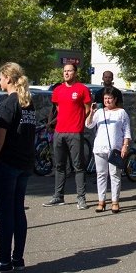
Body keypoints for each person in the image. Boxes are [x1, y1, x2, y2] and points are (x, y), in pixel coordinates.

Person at [0, 63, 38, 273]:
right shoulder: (28, 102)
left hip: (9, 163)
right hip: (25, 162)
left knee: (6, 213)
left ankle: (5, 260)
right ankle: (18, 258)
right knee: (18, 211)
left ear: (8, 78)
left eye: (1, 78)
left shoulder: (9, 103)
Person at [45, 62, 92, 209]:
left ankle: (81, 198)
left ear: (75, 73)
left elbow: (87, 109)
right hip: (59, 132)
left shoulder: (82, 89)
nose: (66, 73)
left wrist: (78, 123)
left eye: (69, 71)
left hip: (75, 132)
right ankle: (58, 196)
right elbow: (58, 109)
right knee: (59, 165)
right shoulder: (58, 90)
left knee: (78, 166)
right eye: (65, 71)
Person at [88, 86, 131, 213]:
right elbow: (89, 125)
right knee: (101, 175)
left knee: (115, 175)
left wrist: (125, 146)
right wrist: (91, 112)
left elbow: (127, 131)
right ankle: (101, 201)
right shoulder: (99, 112)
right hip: (100, 147)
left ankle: (115, 201)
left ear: (115, 99)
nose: (107, 101)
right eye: (105, 98)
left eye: (110, 98)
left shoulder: (121, 112)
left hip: (115, 148)